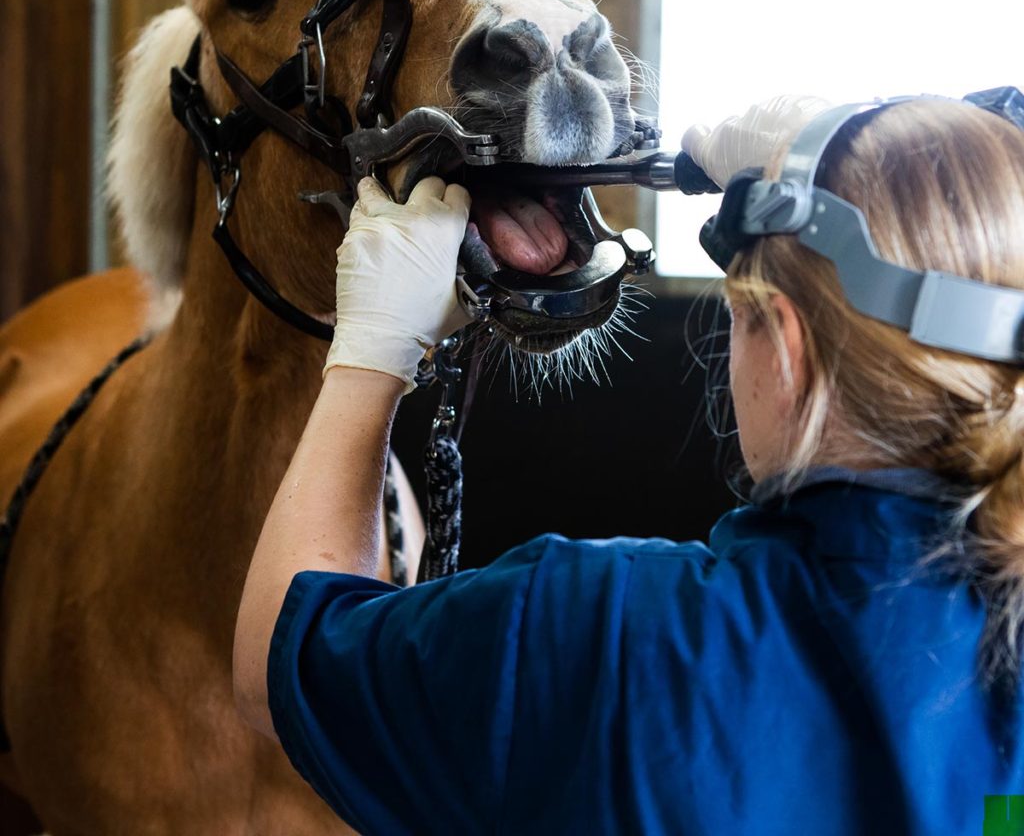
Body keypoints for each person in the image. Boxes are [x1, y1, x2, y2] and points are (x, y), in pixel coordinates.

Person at [233, 92, 1024, 835]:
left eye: (738, 317)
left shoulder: (595, 633)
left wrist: (373, 351)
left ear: (786, 350)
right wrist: (862, 145)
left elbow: (282, 651)